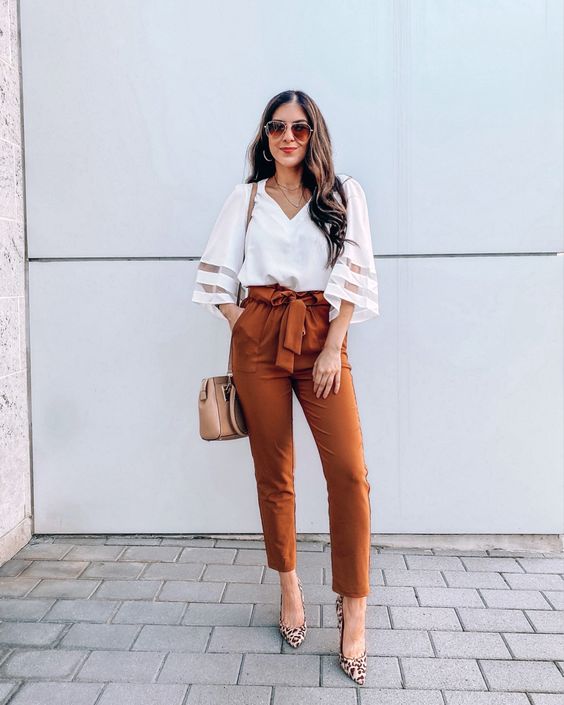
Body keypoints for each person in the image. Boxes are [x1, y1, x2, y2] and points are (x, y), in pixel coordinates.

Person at [192, 89, 379, 685]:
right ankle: (290, 589)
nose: (288, 136)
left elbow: (351, 278)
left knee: (348, 471)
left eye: (298, 127)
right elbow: (217, 275)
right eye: (277, 127)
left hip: (321, 334)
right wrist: (243, 323)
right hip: (261, 337)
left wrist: (332, 347)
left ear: (313, 132)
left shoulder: (342, 193)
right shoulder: (246, 198)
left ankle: (354, 608)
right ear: (265, 136)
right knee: (275, 472)